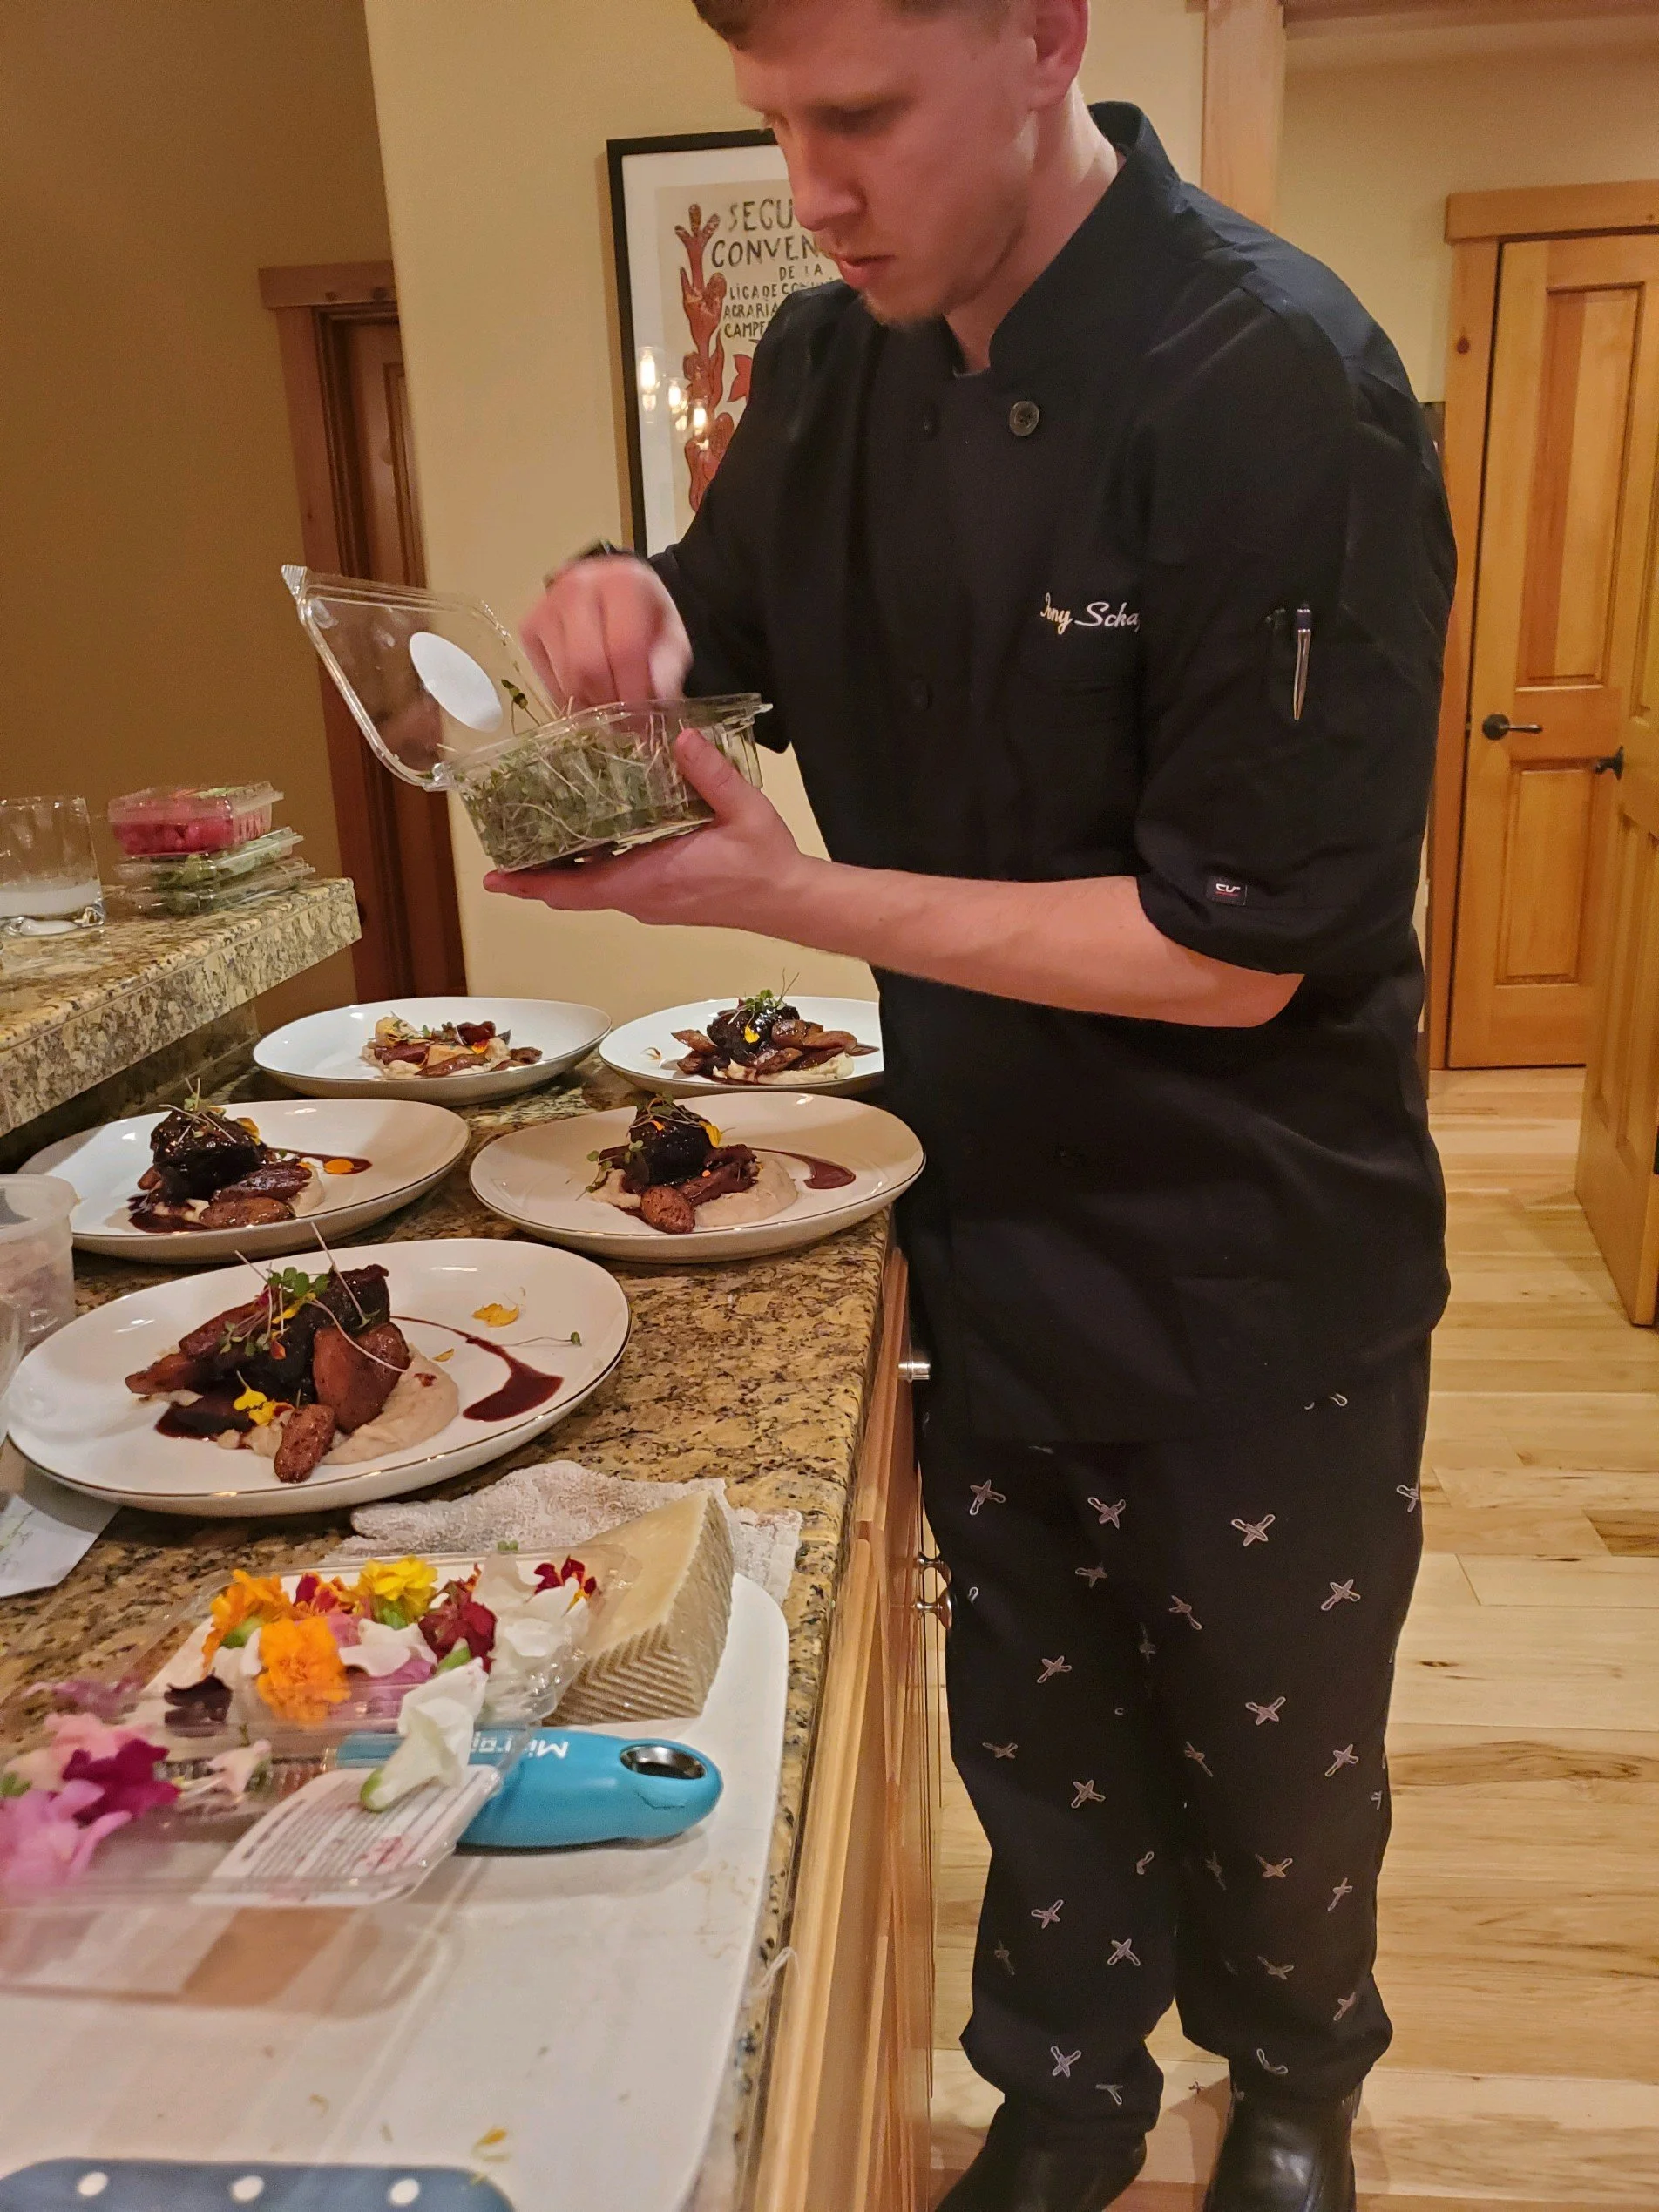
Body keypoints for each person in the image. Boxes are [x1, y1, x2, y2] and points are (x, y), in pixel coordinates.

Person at [510, 3, 1453, 2205]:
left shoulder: (1274, 385)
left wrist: (777, 888)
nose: (810, 188)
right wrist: (629, 598)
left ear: (1043, 38)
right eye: (774, 124)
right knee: (1033, 1709)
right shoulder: (842, 356)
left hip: (1257, 1245)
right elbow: (721, 604)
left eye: (856, 119)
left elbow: (1236, 945)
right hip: (977, 1196)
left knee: (1271, 1738)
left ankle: (1294, 2083)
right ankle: (1069, 2088)